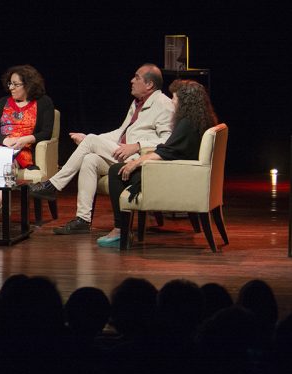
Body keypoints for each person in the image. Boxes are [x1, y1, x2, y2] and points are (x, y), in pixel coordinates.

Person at [29, 63, 174, 234]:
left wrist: (137, 146)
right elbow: (121, 133)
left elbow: (167, 141)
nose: (131, 80)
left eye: (137, 77)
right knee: (90, 160)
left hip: (141, 160)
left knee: (90, 141)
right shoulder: (137, 104)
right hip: (123, 154)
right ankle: (83, 219)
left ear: (149, 84)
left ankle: (53, 185)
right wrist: (88, 140)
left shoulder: (164, 104)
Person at [99, 79, 217, 247]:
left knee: (116, 171)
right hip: (185, 173)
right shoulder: (201, 120)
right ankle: (122, 229)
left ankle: (120, 230)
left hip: (174, 175)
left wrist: (137, 162)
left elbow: (165, 152)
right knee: (120, 168)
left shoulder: (186, 124)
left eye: (175, 98)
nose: (173, 101)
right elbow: (170, 149)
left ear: (186, 102)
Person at [0, 64, 55, 221]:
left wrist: (25, 139)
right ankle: (1, 203)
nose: (11, 88)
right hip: (0, 145)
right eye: (10, 83)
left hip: (22, 149)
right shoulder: (3, 102)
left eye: (15, 84)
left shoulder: (44, 102)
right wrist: (5, 140)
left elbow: (46, 132)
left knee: (4, 160)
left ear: (28, 85)